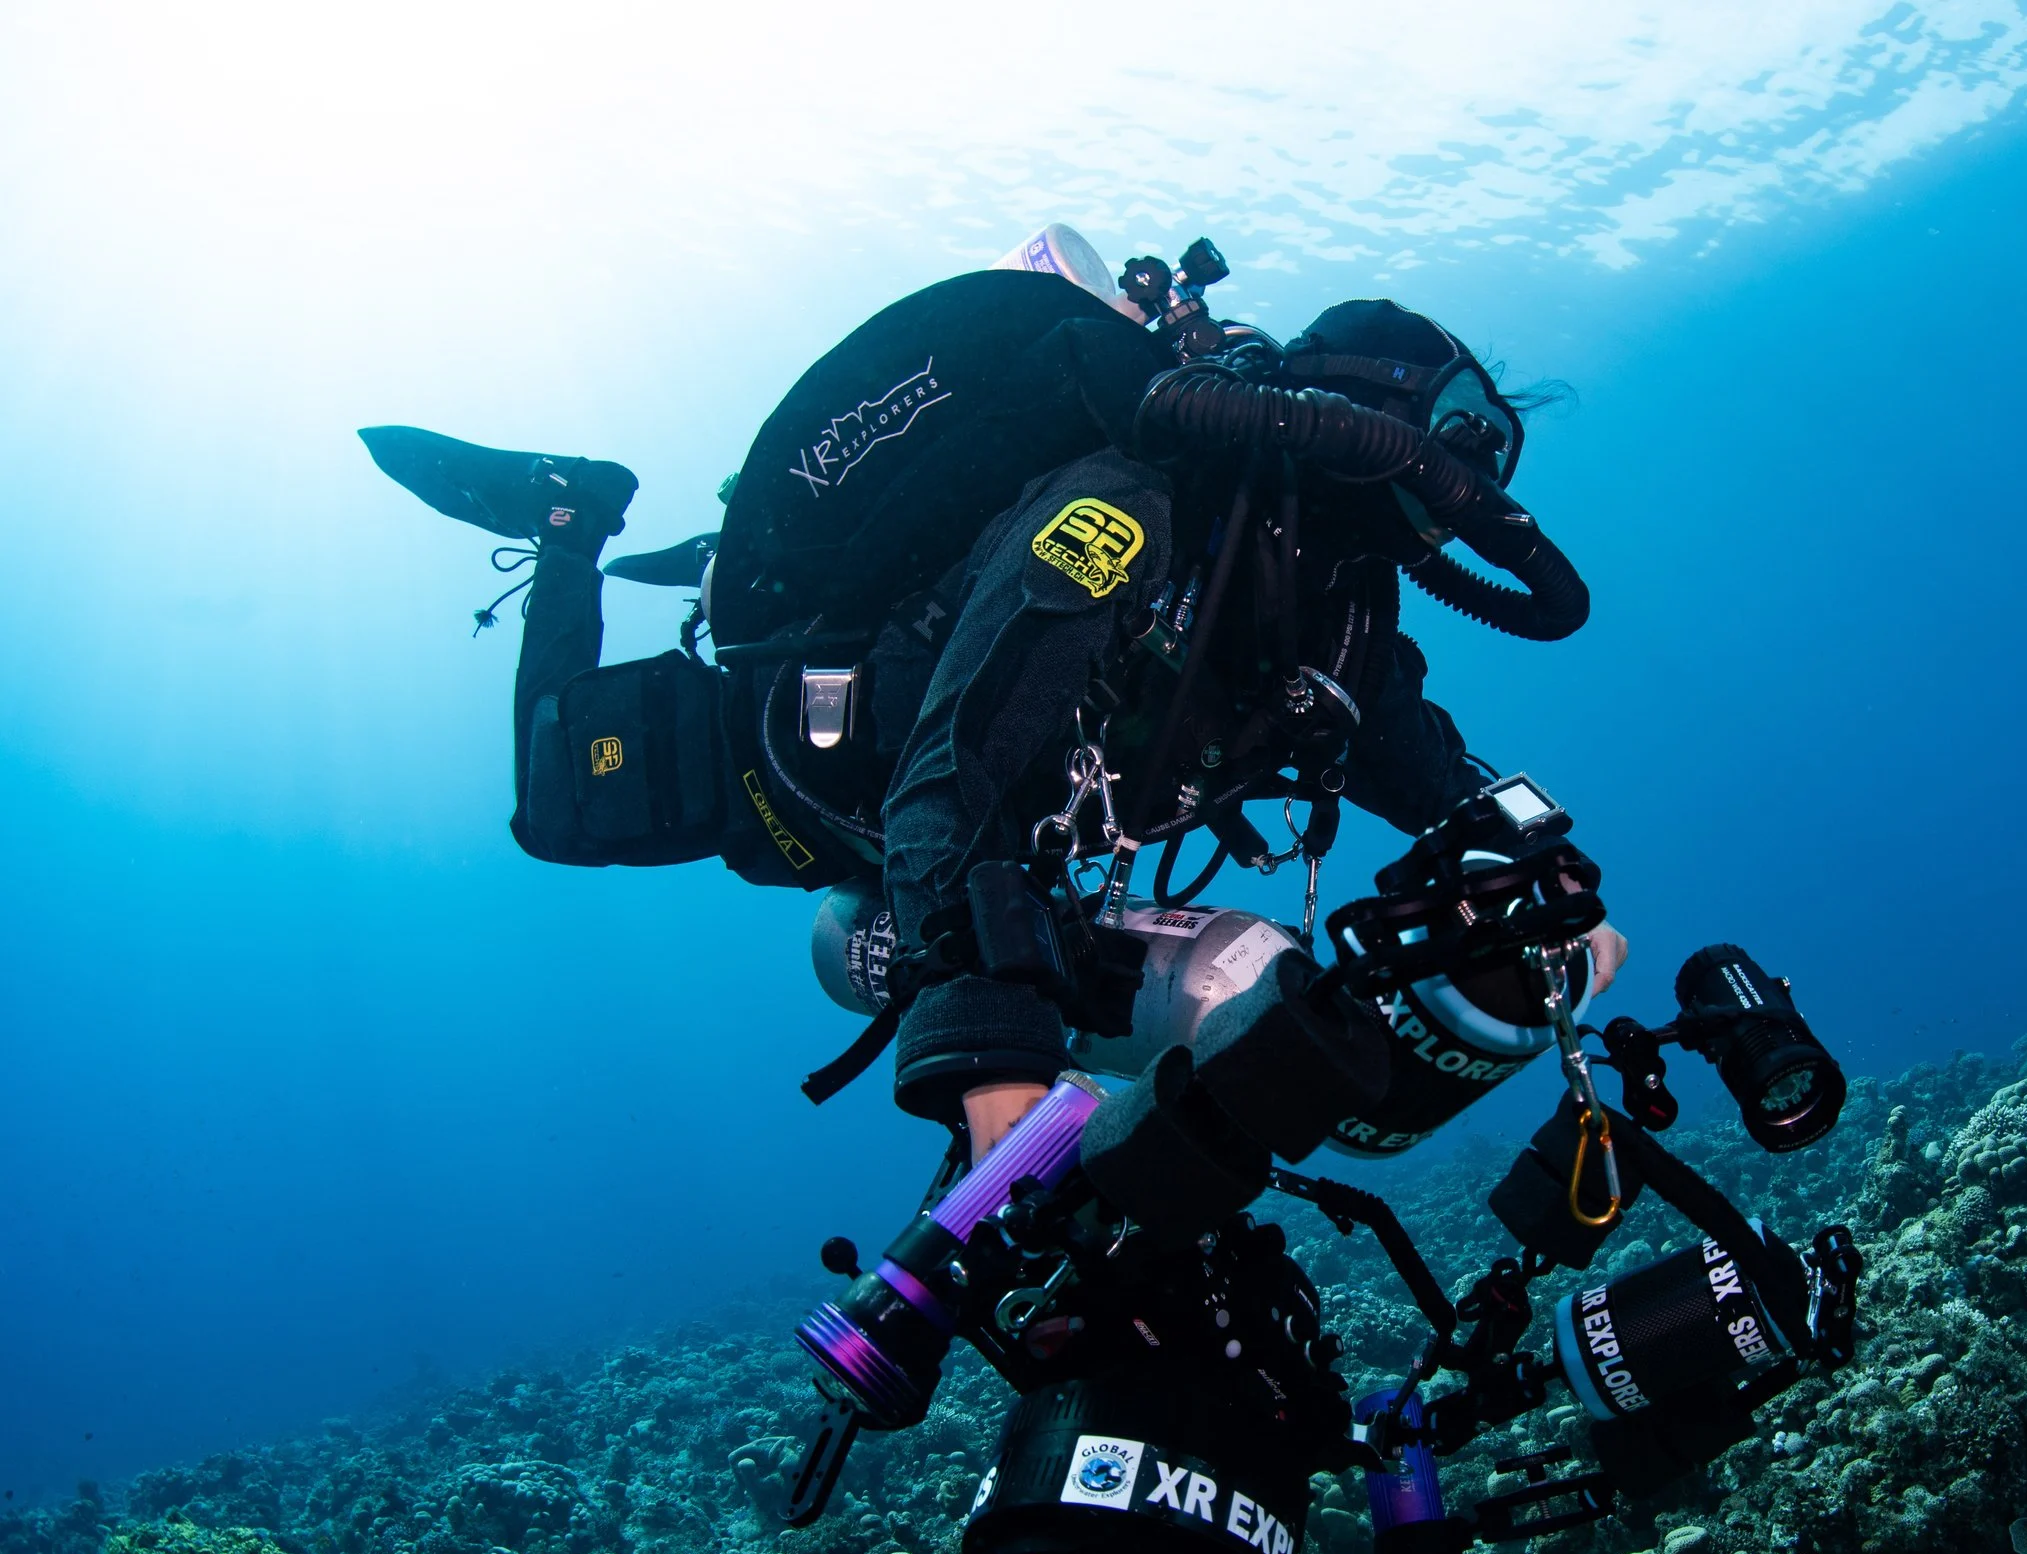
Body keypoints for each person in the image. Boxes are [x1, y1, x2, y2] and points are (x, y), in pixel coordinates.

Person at [365, 266, 1624, 1157]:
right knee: (556, 809)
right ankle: (573, 514)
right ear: (1365, 406)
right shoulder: (1134, 503)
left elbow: (1431, 767)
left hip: (927, 866)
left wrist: (1545, 875)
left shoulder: (1342, 618)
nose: (1477, 480)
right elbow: (955, 766)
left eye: (1493, 453)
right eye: (1463, 431)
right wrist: (990, 1058)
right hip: (810, 763)